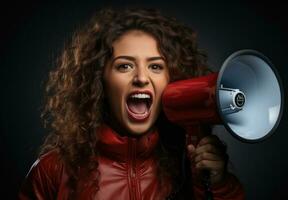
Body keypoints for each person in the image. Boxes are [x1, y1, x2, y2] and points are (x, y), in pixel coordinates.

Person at [19, 7, 245, 200]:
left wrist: (218, 185)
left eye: (155, 66)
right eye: (124, 66)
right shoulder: (53, 170)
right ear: (100, 81)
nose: (141, 78)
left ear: (172, 79)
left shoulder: (186, 167)